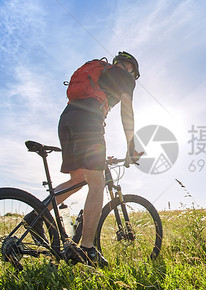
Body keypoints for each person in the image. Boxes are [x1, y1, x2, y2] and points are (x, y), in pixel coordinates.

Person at [53, 51, 142, 267]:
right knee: (97, 184)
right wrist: (131, 146)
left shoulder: (101, 71)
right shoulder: (125, 78)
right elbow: (126, 111)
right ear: (131, 69)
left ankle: (34, 217)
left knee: (78, 179)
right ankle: (87, 251)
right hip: (88, 120)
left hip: (67, 119)